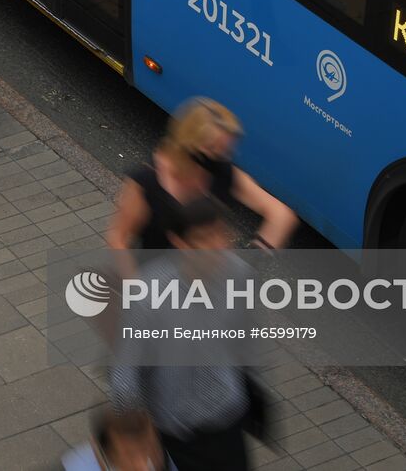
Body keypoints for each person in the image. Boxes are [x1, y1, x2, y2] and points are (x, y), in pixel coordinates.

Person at [112, 198, 253, 471]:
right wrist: (136, 444)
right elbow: (125, 377)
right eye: (204, 239)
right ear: (180, 243)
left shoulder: (238, 274)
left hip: (228, 417)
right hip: (180, 433)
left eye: (221, 235)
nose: (217, 247)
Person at [107, 98, 300, 252]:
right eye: (214, 149)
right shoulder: (146, 181)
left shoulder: (221, 171)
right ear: (188, 143)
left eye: (226, 151)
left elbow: (281, 215)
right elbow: (118, 238)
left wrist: (255, 258)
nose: (222, 158)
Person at [62, 408, 177, 471]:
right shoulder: (78, 467)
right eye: (130, 455)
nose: (143, 465)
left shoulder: (163, 457)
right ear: (107, 453)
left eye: (148, 448)